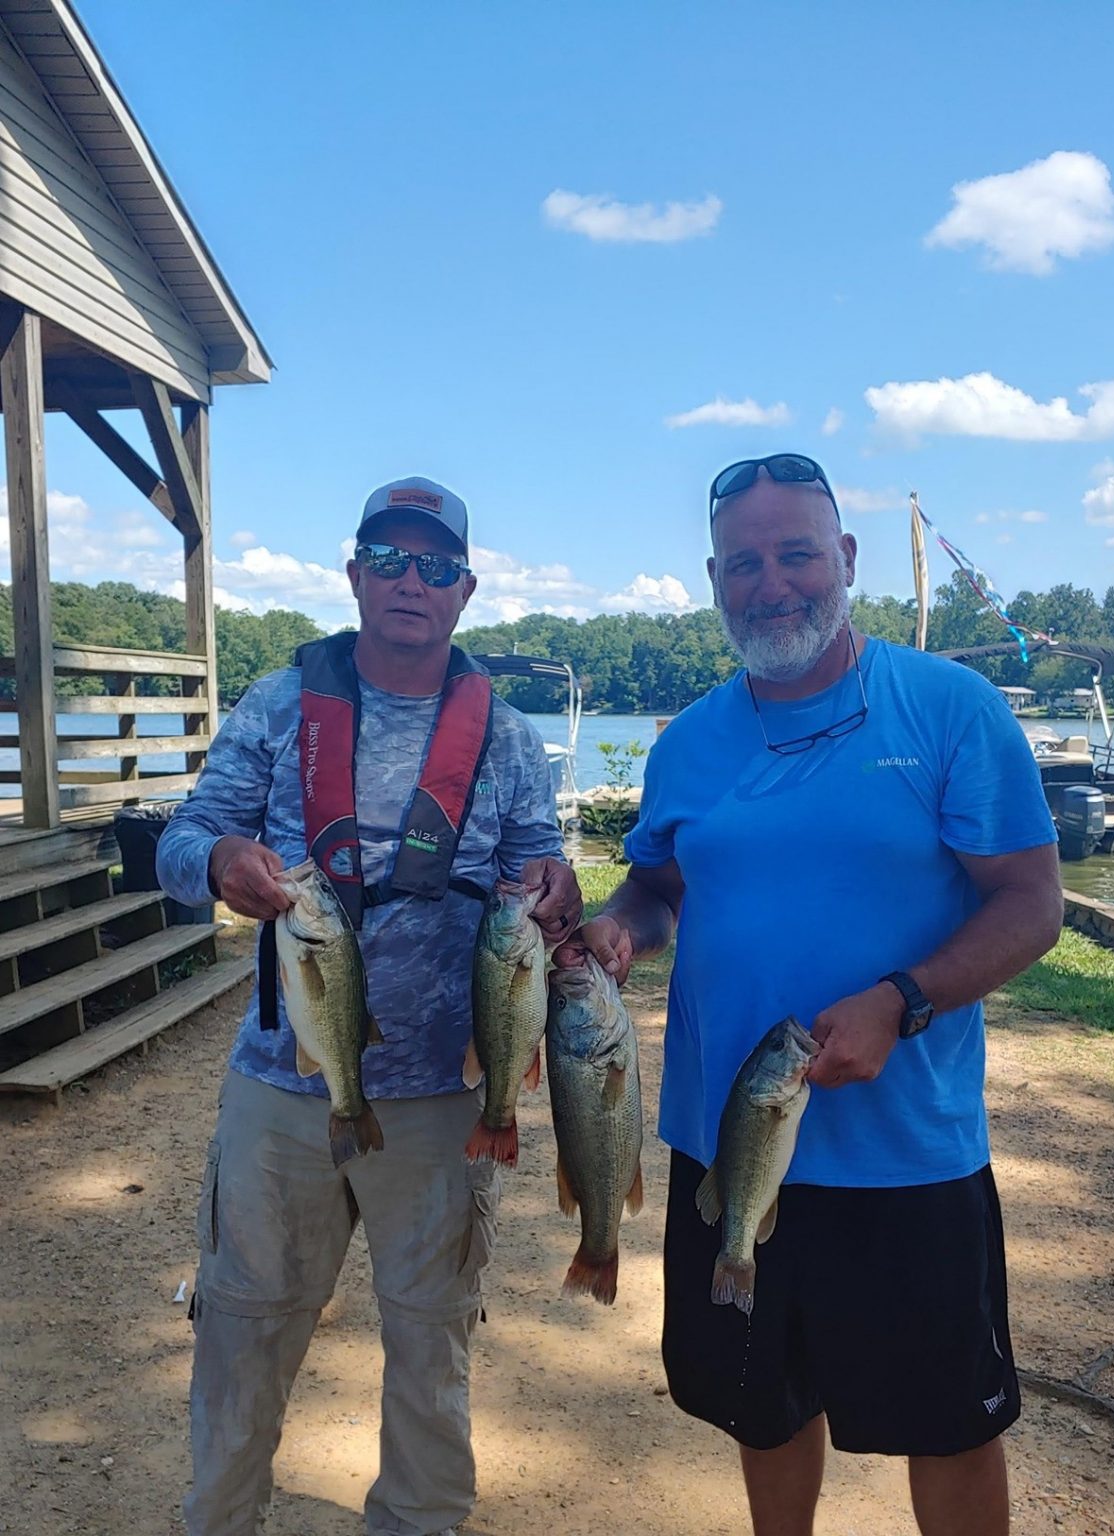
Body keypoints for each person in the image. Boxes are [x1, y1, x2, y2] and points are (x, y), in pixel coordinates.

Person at [565, 453, 1062, 1536]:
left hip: (905, 1151)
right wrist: (617, 928)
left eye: (795, 552)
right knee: (762, 1408)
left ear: (842, 558)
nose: (771, 583)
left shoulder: (946, 708)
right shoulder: (688, 741)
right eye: (743, 562)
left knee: (948, 1423)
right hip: (725, 1139)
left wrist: (903, 1000)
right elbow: (657, 886)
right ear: (713, 577)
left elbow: (1030, 901)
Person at [157, 476, 582, 1536]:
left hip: (447, 1096)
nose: (410, 581)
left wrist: (559, 892)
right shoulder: (274, 702)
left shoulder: (511, 737)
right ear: (352, 573)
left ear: (465, 590)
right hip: (281, 1082)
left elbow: (542, 876)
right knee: (243, 1329)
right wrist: (215, 858)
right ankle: (219, 1517)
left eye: (434, 566)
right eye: (387, 559)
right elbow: (179, 837)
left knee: (431, 1342)